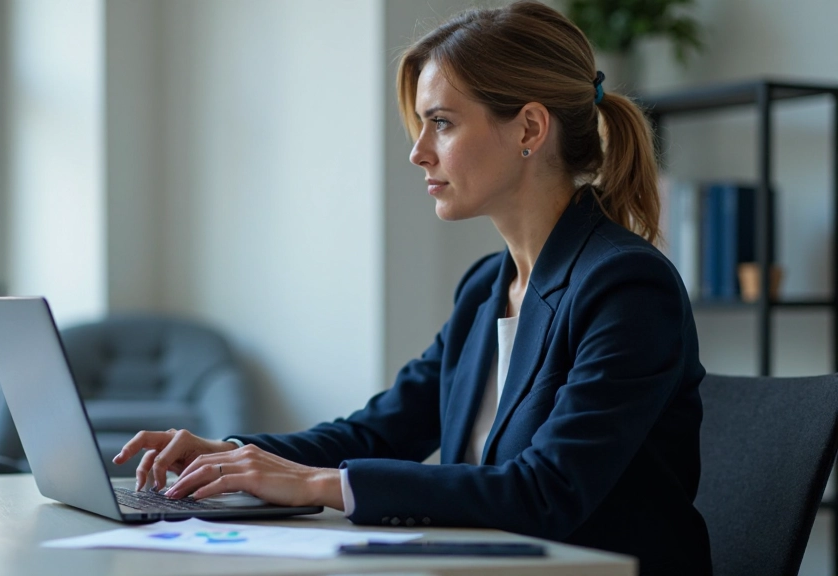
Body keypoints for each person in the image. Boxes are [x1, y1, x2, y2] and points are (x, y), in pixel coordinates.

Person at [113, 2, 711, 573]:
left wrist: (316, 484)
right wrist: (228, 455)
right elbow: (381, 431)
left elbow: (545, 491)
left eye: (441, 124)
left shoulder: (627, 286)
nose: (418, 153)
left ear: (529, 127)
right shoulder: (486, 287)